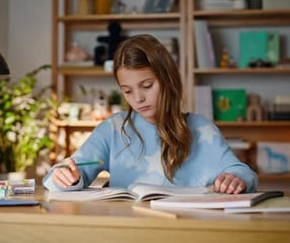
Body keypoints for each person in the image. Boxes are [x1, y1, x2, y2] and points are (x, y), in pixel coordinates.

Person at [43, 34, 257, 194]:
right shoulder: (114, 129)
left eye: (147, 86)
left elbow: (241, 171)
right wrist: (65, 175)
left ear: (167, 80)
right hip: (131, 232)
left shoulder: (200, 128)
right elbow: (57, 177)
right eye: (127, 91)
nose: (138, 98)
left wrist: (236, 178)